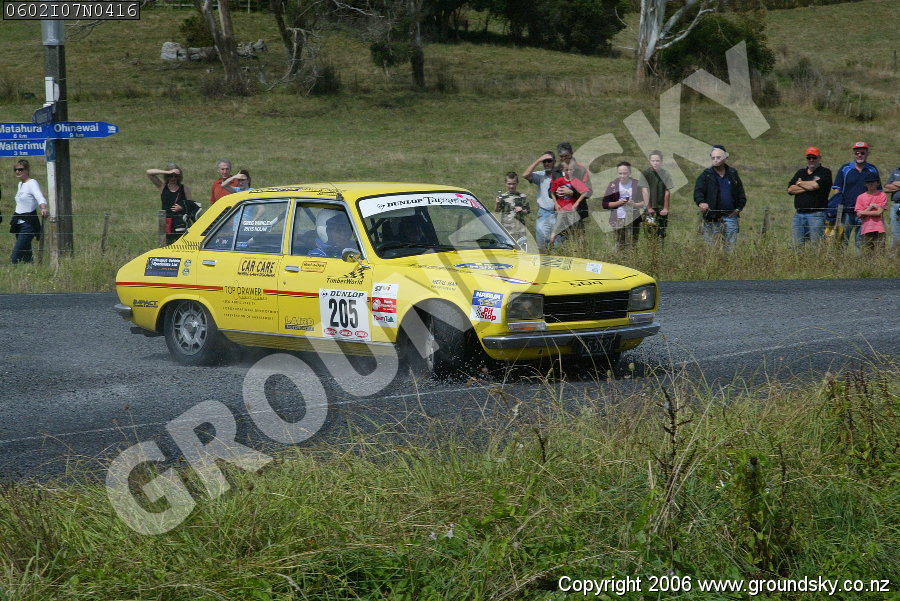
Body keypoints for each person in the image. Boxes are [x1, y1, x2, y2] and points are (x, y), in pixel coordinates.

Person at [693, 145, 747, 251]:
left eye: (718, 157)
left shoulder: (733, 174)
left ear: (725, 157)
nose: (715, 160)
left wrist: (738, 209)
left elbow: (741, 194)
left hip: (731, 217)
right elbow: (698, 192)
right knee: (711, 249)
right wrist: (701, 203)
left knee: (730, 249)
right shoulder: (706, 175)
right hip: (712, 217)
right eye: (713, 158)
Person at [830, 142, 879, 248]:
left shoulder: (872, 169)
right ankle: (840, 258)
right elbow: (837, 189)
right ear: (853, 154)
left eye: (862, 153)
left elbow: (878, 190)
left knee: (861, 243)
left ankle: (859, 259)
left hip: (865, 213)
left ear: (867, 153)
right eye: (857, 153)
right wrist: (838, 207)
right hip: (846, 211)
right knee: (842, 240)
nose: (859, 155)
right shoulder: (845, 168)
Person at [786, 146, 832, 246]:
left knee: (817, 245)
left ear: (819, 158)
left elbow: (815, 186)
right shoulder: (800, 172)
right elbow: (790, 189)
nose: (811, 160)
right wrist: (809, 186)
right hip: (799, 214)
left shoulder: (825, 172)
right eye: (809, 158)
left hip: (816, 214)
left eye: (814, 157)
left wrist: (799, 183)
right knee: (796, 245)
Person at [9, 160, 49, 264]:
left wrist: (43, 208)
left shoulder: (32, 183)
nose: (17, 171)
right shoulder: (20, 184)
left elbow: (39, 197)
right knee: (26, 255)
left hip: (28, 224)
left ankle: (14, 270)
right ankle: (32, 270)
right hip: (18, 223)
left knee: (15, 256)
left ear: (27, 170)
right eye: (15, 169)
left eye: (20, 169)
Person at [147, 163, 194, 244]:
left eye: (176, 176)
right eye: (170, 176)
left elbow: (192, 205)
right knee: (166, 246)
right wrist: (167, 172)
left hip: (181, 223)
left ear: (179, 176)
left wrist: (182, 207)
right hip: (166, 223)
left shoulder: (184, 188)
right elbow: (149, 172)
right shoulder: (162, 186)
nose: (173, 178)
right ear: (166, 176)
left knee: (182, 246)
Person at [602, 161, 644, 250]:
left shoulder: (637, 184)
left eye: (625, 173)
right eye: (620, 173)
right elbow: (605, 204)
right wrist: (619, 203)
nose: (622, 176)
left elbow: (645, 202)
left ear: (630, 173)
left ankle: (632, 259)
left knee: (633, 245)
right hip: (618, 219)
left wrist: (634, 204)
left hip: (634, 218)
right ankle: (620, 258)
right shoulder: (613, 185)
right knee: (620, 244)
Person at [556, 141, 593, 233]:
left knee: (579, 237)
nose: (564, 159)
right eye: (561, 156)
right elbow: (550, 191)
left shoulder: (581, 170)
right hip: (561, 211)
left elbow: (589, 191)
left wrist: (572, 193)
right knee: (563, 238)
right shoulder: (556, 170)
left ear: (572, 154)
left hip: (578, 210)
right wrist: (557, 192)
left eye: (566, 156)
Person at [523, 150, 557, 252]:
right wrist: (538, 160)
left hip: (559, 215)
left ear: (554, 161)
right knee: (542, 247)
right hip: (544, 214)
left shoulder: (561, 175)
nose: (546, 163)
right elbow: (525, 175)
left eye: (549, 161)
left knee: (558, 247)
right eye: (544, 161)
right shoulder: (540, 175)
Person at [549, 165, 589, 246]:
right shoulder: (559, 180)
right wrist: (556, 203)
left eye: (570, 170)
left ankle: (582, 246)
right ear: (563, 170)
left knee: (578, 229)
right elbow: (552, 192)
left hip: (572, 210)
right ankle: (550, 246)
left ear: (573, 170)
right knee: (555, 230)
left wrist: (577, 203)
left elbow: (585, 192)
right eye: (566, 170)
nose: (568, 172)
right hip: (562, 209)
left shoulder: (575, 181)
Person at [639, 150, 673, 243]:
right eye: (653, 161)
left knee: (661, 233)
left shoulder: (665, 174)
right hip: (649, 209)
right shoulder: (645, 174)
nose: (655, 163)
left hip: (661, 209)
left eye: (657, 161)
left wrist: (665, 208)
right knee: (650, 233)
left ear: (661, 161)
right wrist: (649, 208)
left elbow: (667, 191)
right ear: (649, 161)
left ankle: (660, 250)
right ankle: (651, 251)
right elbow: (644, 191)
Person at [854, 172, 887, 253]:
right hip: (866, 229)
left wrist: (864, 212)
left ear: (877, 183)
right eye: (868, 182)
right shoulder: (860, 197)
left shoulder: (882, 195)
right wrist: (871, 207)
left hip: (879, 228)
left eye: (872, 182)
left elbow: (879, 213)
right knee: (867, 253)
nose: (870, 184)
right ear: (865, 184)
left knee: (880, 252)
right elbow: (859, 214)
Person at [495, 171, 530, 240]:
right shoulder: (502, 197)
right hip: (506, 228)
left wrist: (521, 210)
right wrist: (497, 203)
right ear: (505, 183)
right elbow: (497, 211)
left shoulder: (522, 196)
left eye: (514, 184)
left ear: (517, 183)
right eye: (509, 184)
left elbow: (527, 211)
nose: (511, 186)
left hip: (520, 229)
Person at [883, 165, 900, 249]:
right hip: (896, 205)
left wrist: (894, 183)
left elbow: (891, 185)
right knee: (895, 230)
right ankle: (896, 252)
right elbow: (886, 187)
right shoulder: (895, 170)